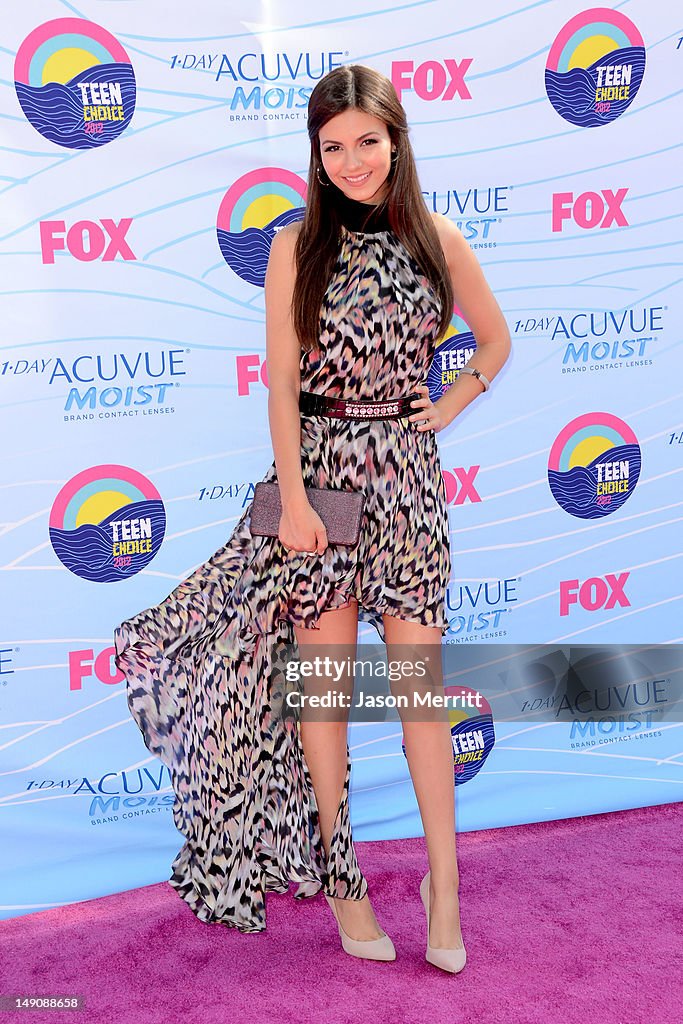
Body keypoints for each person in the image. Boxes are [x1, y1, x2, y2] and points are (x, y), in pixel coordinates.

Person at [114, 63, 510, 974]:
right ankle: (343, 881)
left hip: (407, 483)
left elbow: (494, 338)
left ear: (397, 140)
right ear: (316, 155)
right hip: (322, 484)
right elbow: (283, 383)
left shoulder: (437, 238)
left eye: (366, 141)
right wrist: (292, 500)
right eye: (332, 147)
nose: (351, 161)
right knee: (323, 699)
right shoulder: (295, 244)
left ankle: (442, 881)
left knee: (420, 696)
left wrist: (447, 408)